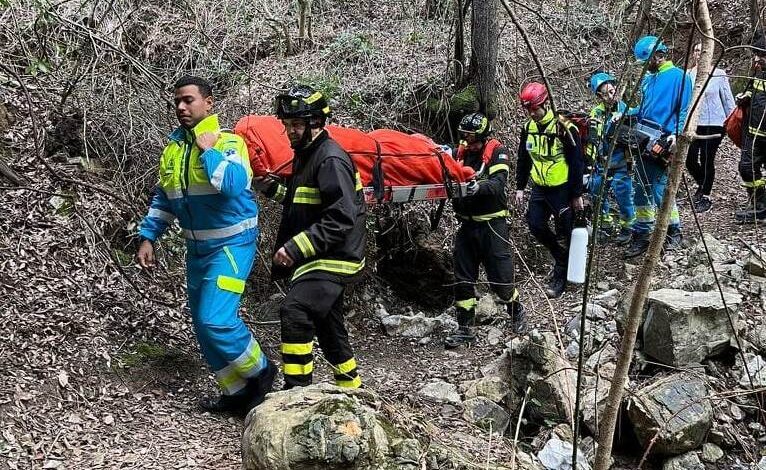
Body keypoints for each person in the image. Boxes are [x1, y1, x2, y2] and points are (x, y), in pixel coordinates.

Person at [136, 76, 275, 415]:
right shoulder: (173, 149)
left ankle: (262, 372)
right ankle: (236, 392)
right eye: (178, 102)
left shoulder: (228, 142)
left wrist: (208, 149)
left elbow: (232, 184)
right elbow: (165, 197)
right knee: (201, 323)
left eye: (189, 100)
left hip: (231, 246)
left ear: (208, 103)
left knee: (216, 319)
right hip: (197, 251)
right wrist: (148, 236)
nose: (182, 107)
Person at [255, 84, 365, 389]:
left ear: (317, 123)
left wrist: (295, 247)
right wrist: (271, 189)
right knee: (329, 326)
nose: (290, 131)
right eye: (287, 125)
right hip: (323, 253)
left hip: (335, 256)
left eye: (297, 124)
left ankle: (296, 391)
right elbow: (303, 201)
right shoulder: (308, 154)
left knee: (296, 310)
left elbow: (341, 216)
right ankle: (350, 389)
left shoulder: (330, 159)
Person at [444, 112, 527, 348]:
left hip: (493, 225)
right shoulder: (460, 153)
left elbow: (499, 183)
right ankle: (465, 329)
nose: (465, 137)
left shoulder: (497, 152)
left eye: (469, 134)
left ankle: (516, 311)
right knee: (462, 279)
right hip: (468, 226)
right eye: (463, 133)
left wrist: (476, 187)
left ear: (480, 134)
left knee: (501, 282)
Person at [515, 82, 585, 299]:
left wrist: (576, 194)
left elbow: (576, 163)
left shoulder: (564, 128)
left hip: (561, 188)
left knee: (565, 231)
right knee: (535, 224)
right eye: (528, 110)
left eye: (535, 109)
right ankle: (560, 256)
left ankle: (561, 276)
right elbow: (524, 158)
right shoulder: (528, 128)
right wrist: (520, 187)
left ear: (545, 104)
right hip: (539, 187)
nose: (532, 114)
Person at [625, 35, 692, 258]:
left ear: (656, 56)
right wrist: (624, 114)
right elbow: (643, 110)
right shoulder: (648, 80)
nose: (644, 67)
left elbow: (684, 111)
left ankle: (673, 231)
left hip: (663, 139)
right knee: (640, 187)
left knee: (658, 188)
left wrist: (676, 135)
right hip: (643, 138)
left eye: (646, 62)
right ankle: (642, 233)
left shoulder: (678, 77)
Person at [586, 72, 636, 244]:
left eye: (612, 91)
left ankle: (627, 227)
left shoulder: (626, 109)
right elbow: (593, 138)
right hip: (602, 162)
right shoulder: (597, 112)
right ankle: (605, 226)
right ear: (599, 96)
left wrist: (622, 119)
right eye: (605, 93)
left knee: (624, 194)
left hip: (622, 160)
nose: (609, 96)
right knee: (597, 192)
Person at [686, 42, 736, 213]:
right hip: (693, 124)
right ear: (693, 54)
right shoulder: (688, 75)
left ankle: (706, 195)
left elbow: (728, 100)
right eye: (696, 50)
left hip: (715, 123)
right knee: (690, 159)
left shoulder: (719, 74)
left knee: (707, 158)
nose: (699, 54)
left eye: (702, 50)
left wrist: (733, 123)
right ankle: (703, 183)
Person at [735, 32, 766, 222]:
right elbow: (750, 90)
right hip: (753, 133)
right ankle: (759, 203)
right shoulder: (758, 73)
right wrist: (744, 96)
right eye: (755, 55)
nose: (757, 59)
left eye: (761, 55)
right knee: (746, 167)